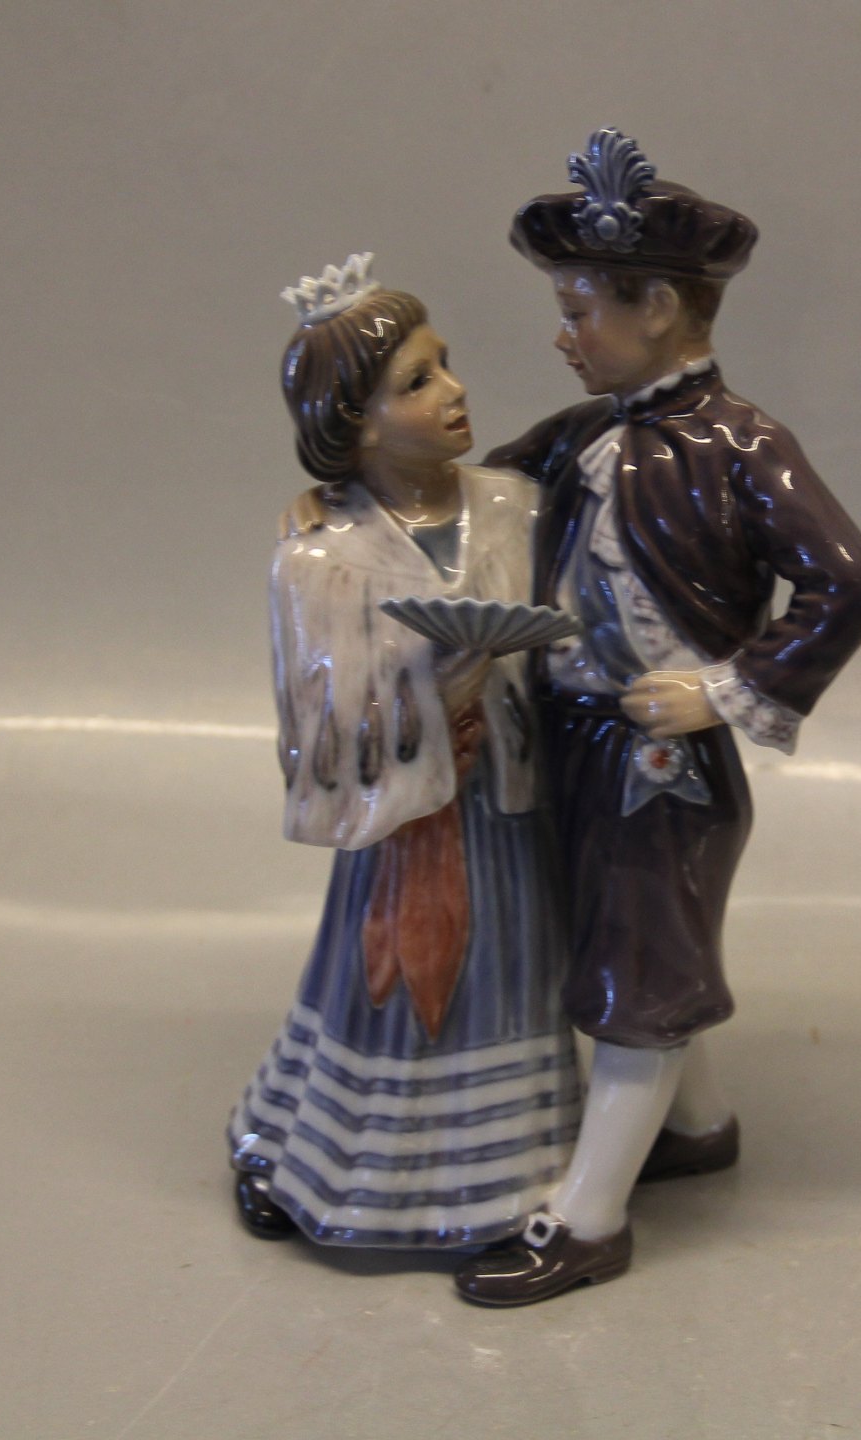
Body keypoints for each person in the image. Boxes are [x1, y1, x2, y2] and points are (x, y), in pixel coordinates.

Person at [451, 130, 861, 1304]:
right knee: (623, 950)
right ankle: (694, 1127)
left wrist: (723, 687)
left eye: (578, 309)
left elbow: (850, 582)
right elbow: (474, 497)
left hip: (660, 765)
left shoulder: (745, 446)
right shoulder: (575, 437)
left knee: (636, 977)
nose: (562, 334)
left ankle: (587, 1218)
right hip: (572, 741)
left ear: (656, 309)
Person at [227, 254, 580, 1249]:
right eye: (418, 381)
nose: (455, 390)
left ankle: (513, 1168)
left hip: (505, 817)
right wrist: (432, 698)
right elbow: (319, 725)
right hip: (402, 834)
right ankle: (353, 1163)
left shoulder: (516, 506)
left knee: (510, 977)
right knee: (375, 990)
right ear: (357, 426)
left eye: (446, 364)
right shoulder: (321, 556)